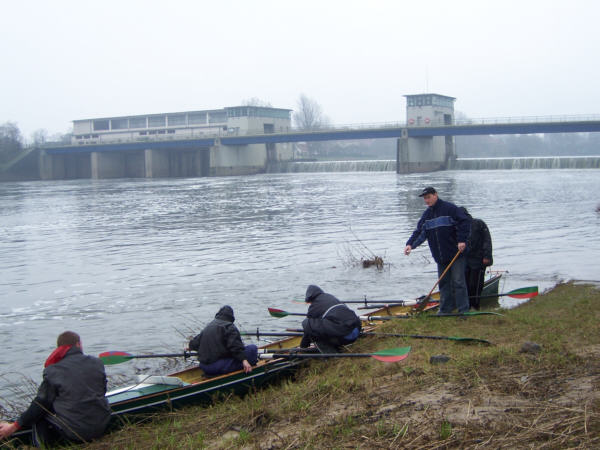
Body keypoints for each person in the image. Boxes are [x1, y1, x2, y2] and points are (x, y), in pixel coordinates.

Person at [0, 331, 111, 447]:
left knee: (40, 414)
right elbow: (102, 391)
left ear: (60, 349)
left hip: (76, 433)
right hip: (102, 425)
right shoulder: (98, 363)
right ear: (78, 344)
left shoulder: (53, 370)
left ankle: (41, 447)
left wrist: (13, 426)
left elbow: (40, 404)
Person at [404, 187, 472, 314]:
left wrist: (462, 240)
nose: (427, 200)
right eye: (425, 198)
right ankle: (446, 309)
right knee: (444, 283)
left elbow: (465, 222)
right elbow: (419, 232)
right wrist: (410, 245)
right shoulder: (427, 215)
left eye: (428, 197)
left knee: (458, 282)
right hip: (440, 256)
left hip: (456, 254)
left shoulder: (449, 209)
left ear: (436, 195)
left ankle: (464, 310)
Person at [188, 305, 258, 376]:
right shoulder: (229, 327)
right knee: (252, 349)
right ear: (231, 317)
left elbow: (194, 343)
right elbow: (235, 347)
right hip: (217, 367)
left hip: (204, 366)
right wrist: (244, 360)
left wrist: (189, 346)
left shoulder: (209, 326)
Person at [300, 285, 362, 353]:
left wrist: (303, 347)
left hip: (345, 337)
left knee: (307, 323)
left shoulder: (314, 306)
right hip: (357, 330)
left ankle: (332, 356)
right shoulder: (330, 297)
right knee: (326, 325)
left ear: (310, 298)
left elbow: (308, 330)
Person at [460, 207, 493, 310]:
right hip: (466, 260)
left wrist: (487, 256)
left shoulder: (479, 224)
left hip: (479, 259)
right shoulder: (460, 227)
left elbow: (487, 240)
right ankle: (468, 305)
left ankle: (475, 305)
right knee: (466, 283)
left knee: (476, 284)